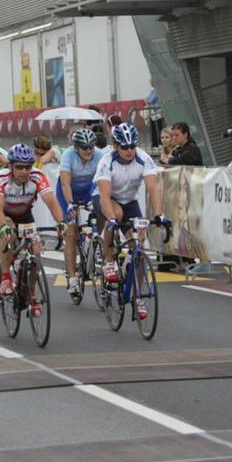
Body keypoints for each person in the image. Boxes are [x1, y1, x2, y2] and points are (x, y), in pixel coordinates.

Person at [94, 123, 167, 319]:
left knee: (139, 245)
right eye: (124, 147)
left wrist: (159, 215)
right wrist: (110, 220)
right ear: (116, 146)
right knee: (115, 215)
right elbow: (104, 196)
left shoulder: (144, 158)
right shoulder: (107, 161)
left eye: (132, 146)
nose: (129, 150)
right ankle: (109, 261)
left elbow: (153, 189)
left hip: (129, 201)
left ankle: (137, 296)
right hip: (106, 199)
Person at [0, 144, 66, 304]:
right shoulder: (1, 179)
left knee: (36, 250)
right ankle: (5, 277)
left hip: (24, 214)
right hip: (4, 214)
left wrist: (61, 223)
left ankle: (31, 293)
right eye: (19, 167)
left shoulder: (37, 176)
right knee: (8, 233)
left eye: (28, 167)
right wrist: (3, 227)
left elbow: (52, 202)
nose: (24, 171)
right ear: (11, 166)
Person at [57, 128, 101, 301]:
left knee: (101, 216)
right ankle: (73, 278)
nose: (89, 151)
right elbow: (65, 184)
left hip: (88, 190)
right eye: (84, 148)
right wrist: (70, 204)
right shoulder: (68, 156)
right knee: (71, 232)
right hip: (68, 192)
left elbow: (102, 181)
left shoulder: (99, 155)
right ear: (76, 148)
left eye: (91, 147)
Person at [145, 80, 164, 148]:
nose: (150, 83)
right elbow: (146, 100)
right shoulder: (152, 91)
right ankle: (155, 143)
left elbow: (150, 100)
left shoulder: (157, 91)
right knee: (153, 127)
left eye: (151, 82)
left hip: (157, 111)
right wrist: (147, 100)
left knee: (159, 127)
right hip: (153, 112)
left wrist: (148, 100)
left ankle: (160, 143)